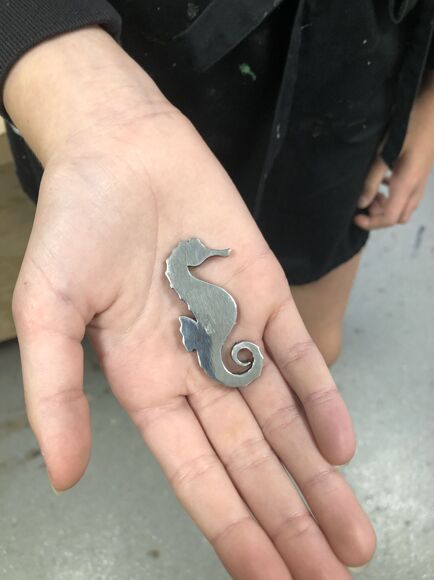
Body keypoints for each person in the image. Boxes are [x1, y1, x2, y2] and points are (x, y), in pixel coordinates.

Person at [0, 1, 433, 578]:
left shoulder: (203, 295)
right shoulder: (194, 290)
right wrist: (63, 65)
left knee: (311, 339)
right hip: (160, 64)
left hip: (351, 99)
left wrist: (427, 105)